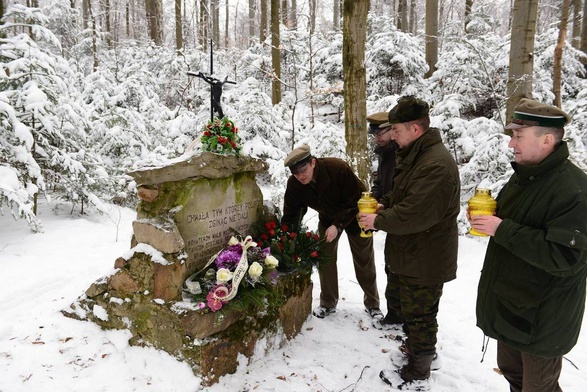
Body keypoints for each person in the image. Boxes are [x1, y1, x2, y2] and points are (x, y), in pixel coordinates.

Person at [470, 98, 587, 392]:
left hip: (543, 318)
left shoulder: (573, 189)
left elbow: (563, 256)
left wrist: (502, 228)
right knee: (515, 377)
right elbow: (521, 223)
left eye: (518, 136)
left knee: (539, 388)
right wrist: (490, 217)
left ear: (547, 139)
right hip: (512, 308)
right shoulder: (526, 176)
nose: (511, 144)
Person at [358, 96, 460, 383]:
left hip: (425, 257)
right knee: (414, 312)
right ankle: (415, 350)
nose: (393, 137)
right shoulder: (417, 156)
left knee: (421, 315)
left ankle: (418, 372)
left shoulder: (435, 164)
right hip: (414, 253)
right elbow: (403, 195)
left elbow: (416, 213)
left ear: (415, 129)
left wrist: (378, 220)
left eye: (397, 131)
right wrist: (384, 204)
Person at [282, 145, 382, 319]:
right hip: (327, 219)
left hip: (357, 216)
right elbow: (291, 214)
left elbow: (353, 201)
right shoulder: (295, 184)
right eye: (295, 173)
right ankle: (328, 302)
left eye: (303, 170)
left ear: (313, 162)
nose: (301, 176)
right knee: (325, 258)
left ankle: (373, 304)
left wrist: (338, 225)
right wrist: (286, 236)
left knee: (364, 260)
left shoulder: (337, 169)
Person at [366, 111, 402, 330]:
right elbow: (380, 182)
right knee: (391, 265)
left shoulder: (402, 154)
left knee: (400, 269)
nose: (377, 138)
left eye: (381, 133)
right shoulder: (385, 154)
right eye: (374, 134)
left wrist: (385, 208)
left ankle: (401, 317)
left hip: (399, 215)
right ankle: (394, 315)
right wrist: (374, 200)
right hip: (388, 213)